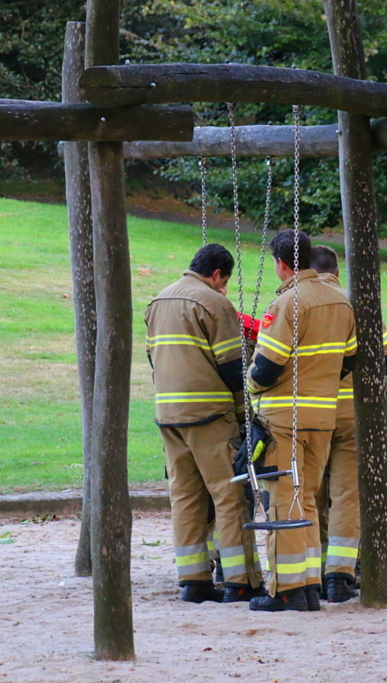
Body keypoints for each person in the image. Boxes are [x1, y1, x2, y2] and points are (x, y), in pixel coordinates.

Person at [144, 243, 264, 604]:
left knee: (185, 496)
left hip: (168, 415)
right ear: (217, 275)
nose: (223, 287)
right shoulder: (214, 303)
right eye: (224, 282)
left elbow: (153, 359)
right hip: (210, 414)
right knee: (229, 495)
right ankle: (240, 580)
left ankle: (193, 580)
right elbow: (232, 367)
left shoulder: (157, 302)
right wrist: (245, 416)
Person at [245, 230, 356, 612]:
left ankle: (287, 589)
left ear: (280, 263)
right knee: (306, 497)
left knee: (284, 501)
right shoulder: (340, 302)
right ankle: (308, 586)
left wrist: (250, 385)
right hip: (323, 417)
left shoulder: (287, 302)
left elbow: (267, 366)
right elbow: (350, 359)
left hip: (283, 417)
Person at [309, 245, 387, 602]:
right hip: (349, 414)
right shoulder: (354, 303)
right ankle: (340, 577)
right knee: (347, 494)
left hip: (309, 415)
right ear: (336, 271)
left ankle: (311, 573)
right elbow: (386, 359)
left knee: (309, 493)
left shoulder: (294, 302)